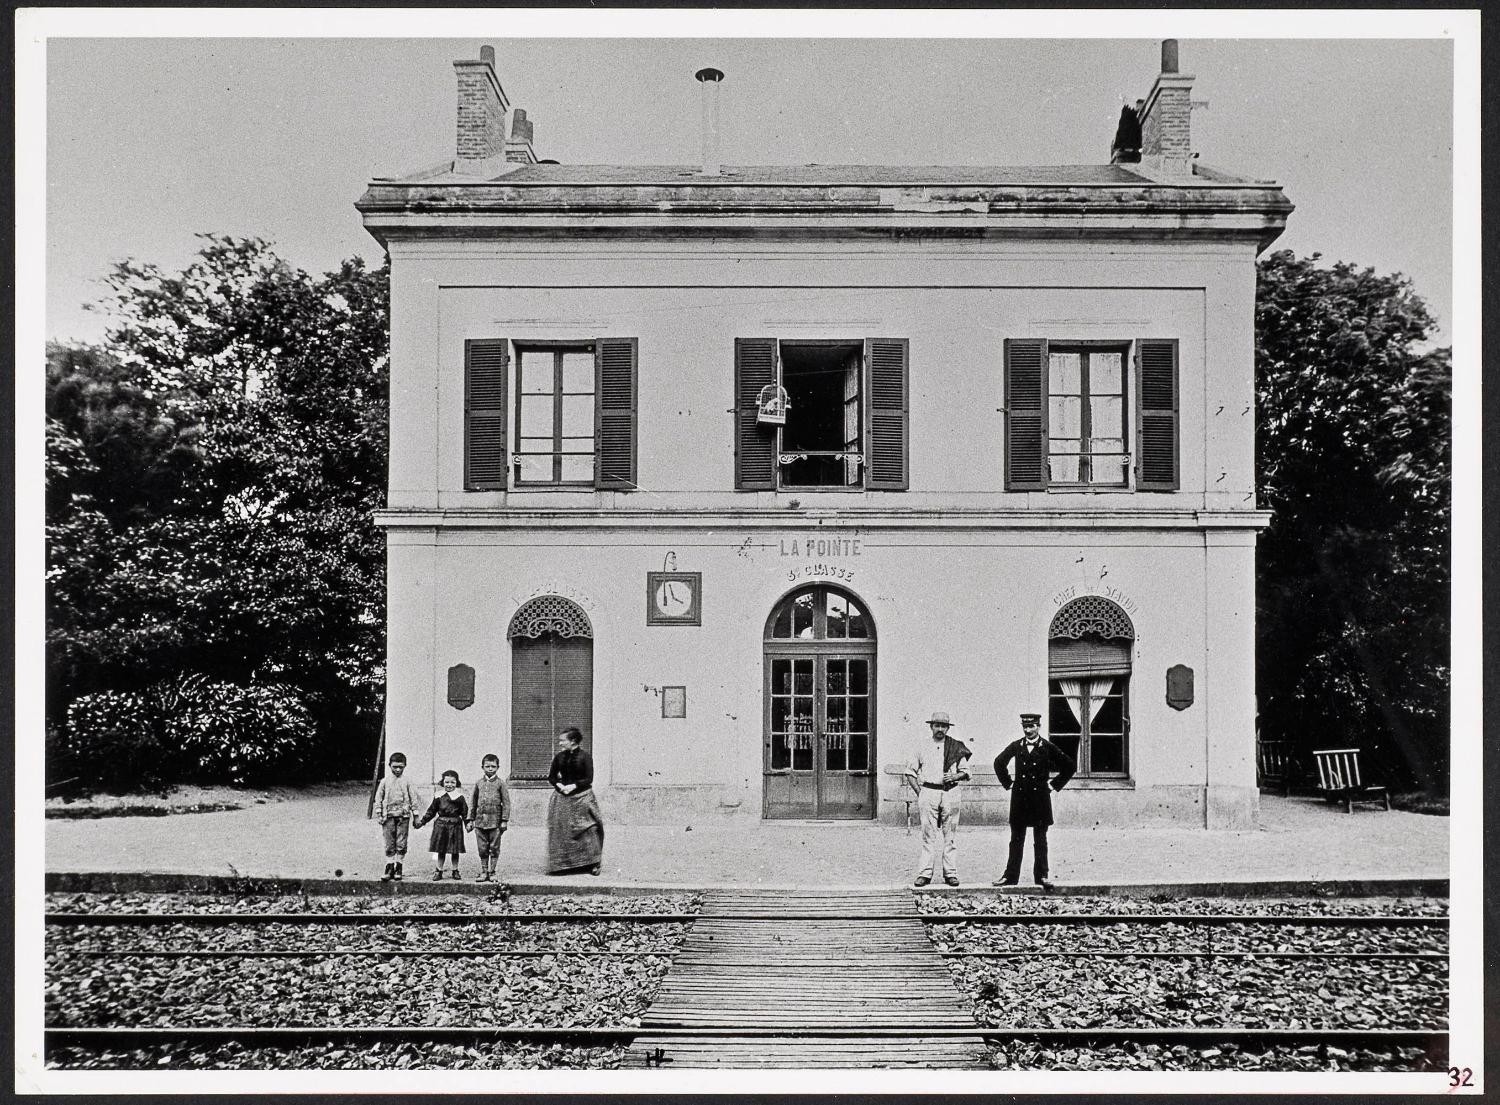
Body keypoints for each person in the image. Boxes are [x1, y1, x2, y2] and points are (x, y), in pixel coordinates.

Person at [992, 712, 1076, 888]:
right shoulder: (1016, 746)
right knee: (1016, 839)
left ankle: (1042, 877)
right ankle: (1010, 877)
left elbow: (1069, 766)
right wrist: (1008, 784)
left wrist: (1053, 786)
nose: (1028, 730)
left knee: (1040, 839)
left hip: (1040, 800)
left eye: (1031, 726)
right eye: (1025, 726)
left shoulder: (1047, 747)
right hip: (1020, 799)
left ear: (1039, 727)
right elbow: (999, 762)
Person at [903, 710, 972, 887]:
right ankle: (925, 874)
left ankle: (950, 873)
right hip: (929, 792)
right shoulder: (921, 746)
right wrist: (921, 793)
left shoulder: (956, 747)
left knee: (950, 835)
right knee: (928, 835)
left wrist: (955, 777)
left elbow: (966, 772)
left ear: (948, 728)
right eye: (937, 725)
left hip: (951, 793)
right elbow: (910, 772)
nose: (940, 729)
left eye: (943, 726)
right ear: (931, 727)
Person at [546, 727, 604, 876]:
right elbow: (552, 776)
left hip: (583, 797)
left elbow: (588, 779)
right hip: (563, 798)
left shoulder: (585, 757)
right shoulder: (559, 757)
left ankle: (593, 863)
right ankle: (563, 866)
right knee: (561, 831)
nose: (560, 743)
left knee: (589, 828)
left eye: (562, 740)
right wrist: (560, 786)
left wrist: (573, 786)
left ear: (573, 741)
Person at [372, 751, 422, 882]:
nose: (398, 769)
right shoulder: (385, 781)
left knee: (401, 842)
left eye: (401, 767)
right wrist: (378, 812)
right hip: (387, 816)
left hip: (403, 816)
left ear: (405, 766)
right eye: (395, 767)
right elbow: (378, 797)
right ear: (389, 766)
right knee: (389, 842)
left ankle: (399, 866)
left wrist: (416, 816)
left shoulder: (407, 782)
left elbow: (413, 798)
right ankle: (389, 866)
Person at [414, 769, 469, 880]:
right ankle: (439, 870)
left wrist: (468, 823)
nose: (449, 785)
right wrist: (422, 822)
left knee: (455, 850)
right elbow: (431, 811)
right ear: (442, 782)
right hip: (441, 826)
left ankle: (455, 870)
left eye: (452, 782)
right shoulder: (439, 796)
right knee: (441, 850)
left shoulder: (459, 797)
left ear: (456, 783)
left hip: (455, 826)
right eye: (447, 782)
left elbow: (465, 812)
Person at [467, 753, 511, 882]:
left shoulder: (501, 784)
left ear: (498, 767)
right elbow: (473, 802)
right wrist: (470, 819)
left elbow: (506, 803)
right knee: (482, 847)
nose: (490, 769)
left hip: (495, 822)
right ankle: (484, 871)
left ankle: (492, 872)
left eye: (493, 766)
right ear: (482, 767)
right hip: (480, 822)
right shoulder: (478, 783)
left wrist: (504, 820)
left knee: (494, 847)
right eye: (487, 766)